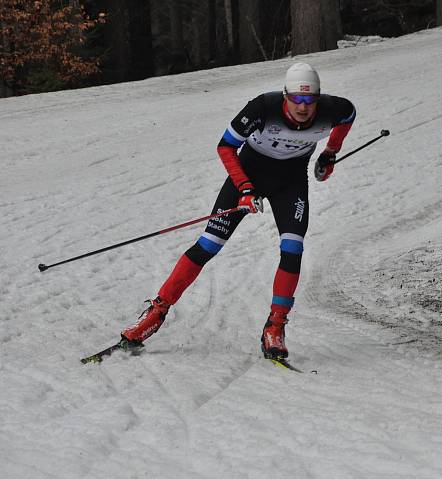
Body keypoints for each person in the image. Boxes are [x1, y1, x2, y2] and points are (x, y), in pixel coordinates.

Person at [120, 62, 356, 361]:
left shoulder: (333, 109)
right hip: (248, 175)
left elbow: (349, 116)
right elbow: (225, 146)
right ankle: (156, 312)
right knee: (208, 245)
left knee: (292, 248)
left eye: (310, 100)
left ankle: (275, 326)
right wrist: (245, 188)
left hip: (291, 182)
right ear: (286, 96)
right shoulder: (263, 107)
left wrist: (330, 153)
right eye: (297, 98)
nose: (303, 106)